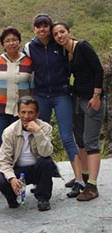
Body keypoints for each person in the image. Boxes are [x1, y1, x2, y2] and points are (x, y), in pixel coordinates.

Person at [23, 14, 83, 197]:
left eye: (45, 26)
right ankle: (42, 180)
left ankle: (80, 180)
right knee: (39, 136)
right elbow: (18, 60)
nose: (42, 29)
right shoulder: (29, 47)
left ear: (50, 28)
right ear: (33, 29)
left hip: (61, 95)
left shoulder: (60, 44)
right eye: (38, 26)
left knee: (66, 137)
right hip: (40, 96)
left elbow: (76, 52)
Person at [0, 27, 34, 202]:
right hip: (0, 112)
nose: (11, 43)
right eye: (7, 40)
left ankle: (15, 187)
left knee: (20, 150)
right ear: (3, 44)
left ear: (19, 41)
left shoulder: (28, 62)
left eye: (14, 40)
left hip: (21, 114)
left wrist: (31, 114)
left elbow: (32, 90)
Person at [52, 22, 105, 201]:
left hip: (92, 100)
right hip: (77, 99)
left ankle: (93, 186)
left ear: (69, 32)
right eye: (56, 34)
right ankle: (81, 176)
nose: (60, 36)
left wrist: (97, 95)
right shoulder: (65, 53)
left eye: (62, 32)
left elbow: (98, 70)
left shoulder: (82, 47)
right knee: (80, 141)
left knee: (91, 142)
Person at [0, 96, 58, 211]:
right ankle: (12, 198)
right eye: (23, 112)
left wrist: (38, 132)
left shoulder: (45, 128)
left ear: (37, 113)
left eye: (30, 112)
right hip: (18, 171)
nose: (26, 116)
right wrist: (12, 178)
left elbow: (46, 152)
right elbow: (4, 161)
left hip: (38, 168)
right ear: (18, 113)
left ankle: (43, 198)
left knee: (47, 162)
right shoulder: (9, 132)